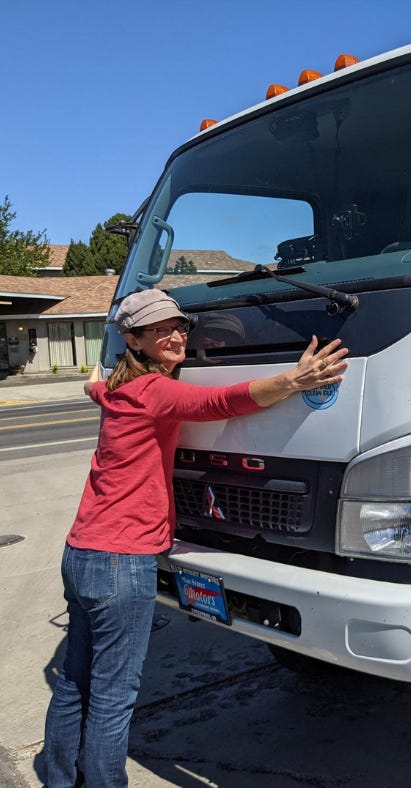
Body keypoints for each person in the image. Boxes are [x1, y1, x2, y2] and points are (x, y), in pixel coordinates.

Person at [39, 289, 348, 787]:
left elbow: (95, 388)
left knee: (76, 682)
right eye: (159, 328)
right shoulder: (156, 392)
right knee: (114, 697)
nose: (176, 334)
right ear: (132, 338)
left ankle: (58, 779)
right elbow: (223, 401)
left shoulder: (116, 391)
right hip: (122, 561)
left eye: (180, 325)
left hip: (80, 554)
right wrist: (296, 379)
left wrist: (89, 384)